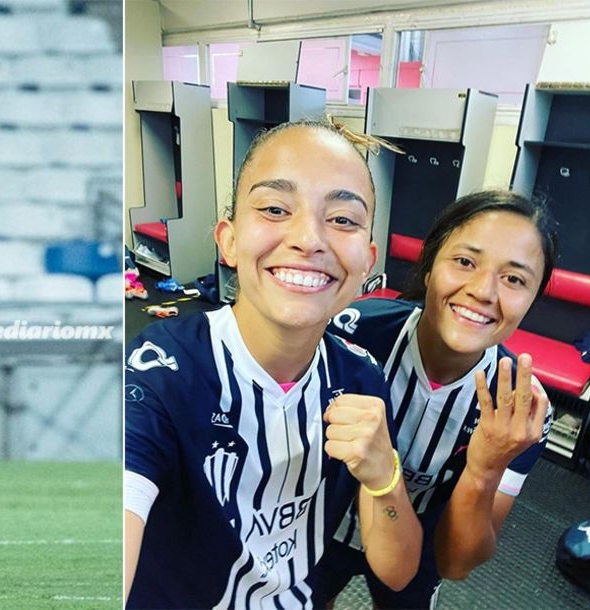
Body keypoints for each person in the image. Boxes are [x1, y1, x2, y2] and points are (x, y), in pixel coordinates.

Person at [124, 120, 422, 608]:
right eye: (275, 209)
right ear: (230, 240)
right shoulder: (163, 371)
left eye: (343, 219)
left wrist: (383, 476)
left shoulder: (360, 377)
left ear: (367, 261)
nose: (309, 238)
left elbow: (397, 571)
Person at [313, 189, 556, 608]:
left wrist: (485, 467)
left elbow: (457, 563)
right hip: (318, 524)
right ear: (429, 268)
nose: (483, 291)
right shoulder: (348, 334)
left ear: (532, 299)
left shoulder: (522, 407)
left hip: (421, 540)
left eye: (514, 279)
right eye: (465, 261)